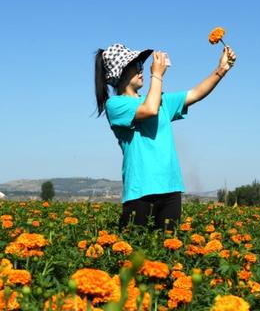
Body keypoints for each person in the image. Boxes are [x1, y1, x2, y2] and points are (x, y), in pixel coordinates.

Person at [94, 42, 236, 232]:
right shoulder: (116, 105)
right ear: (120, 73)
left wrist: (221, 69)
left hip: (170, 188)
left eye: (141, 65)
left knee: (167, 253)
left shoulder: (160, 100)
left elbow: (195, 94)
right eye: (136, 66)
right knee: (137, 255)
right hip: (140, 192)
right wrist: (157, 75)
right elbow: (150, 110)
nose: (141, 70)